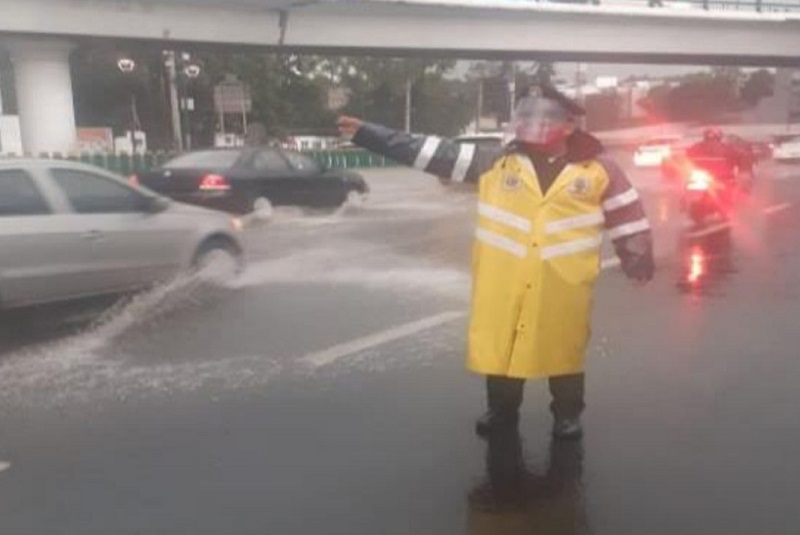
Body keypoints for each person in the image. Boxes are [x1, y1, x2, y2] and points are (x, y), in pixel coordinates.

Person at [337, 83, 654, 441]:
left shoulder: (599, 170)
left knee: (564, 349)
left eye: (545, 118)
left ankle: (567, 414)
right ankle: (502, 411)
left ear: (569, 125)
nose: (535, 126)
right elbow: (431, 152)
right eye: (529, 116)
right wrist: (370, 135)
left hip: (563, 282)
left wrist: (637, 261)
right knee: (503, 349)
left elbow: (628, 215)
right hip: (503, 279)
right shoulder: (494, 162)